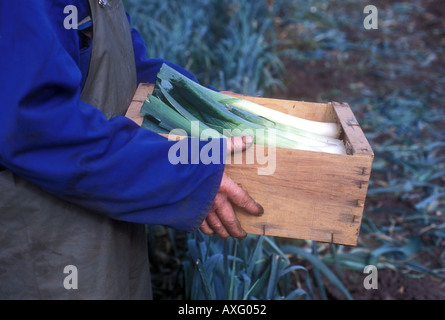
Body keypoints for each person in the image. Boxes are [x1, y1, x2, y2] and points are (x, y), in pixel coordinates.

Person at [0, 0, 263, 299]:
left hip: (107, 195)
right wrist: (182, 173)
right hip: (43, 231)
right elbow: (34, 126)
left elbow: (120, 61)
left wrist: (195, 101)